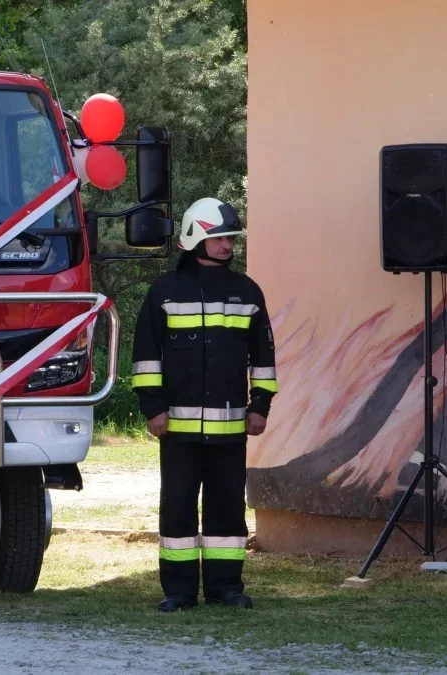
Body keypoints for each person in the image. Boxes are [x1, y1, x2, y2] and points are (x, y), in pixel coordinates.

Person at [130, 197, 278, 613]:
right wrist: (152, 408)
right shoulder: (163, 292)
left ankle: (225, 587)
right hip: (175, 427)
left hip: (231, 428)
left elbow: (264, 356)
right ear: (195, 236)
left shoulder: (247, 291)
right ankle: (178, 591)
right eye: (219, 238)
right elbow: (145, 356)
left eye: (230, 238)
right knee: (176, 507)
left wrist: (261, 405)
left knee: (227, 509)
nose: (227, 245)